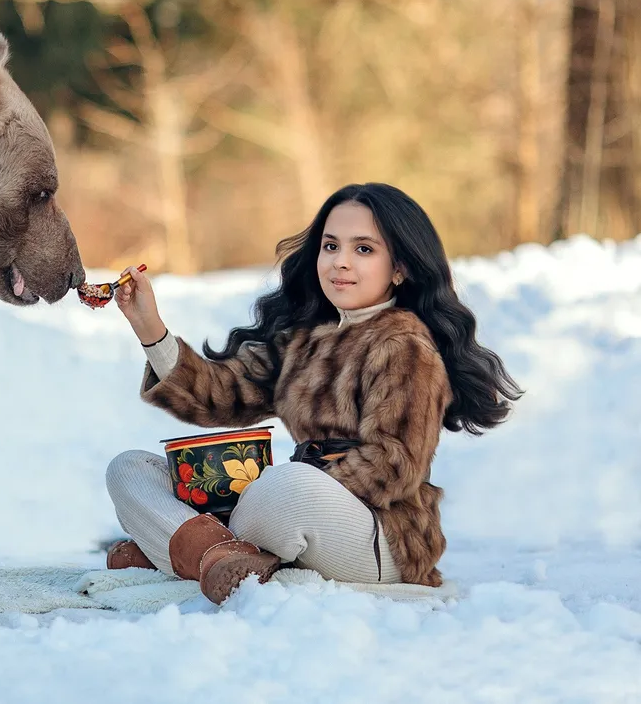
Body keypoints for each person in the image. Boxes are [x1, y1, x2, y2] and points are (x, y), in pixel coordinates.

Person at [103, 183, 522, 605]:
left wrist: (290, 489)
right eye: (331, 245)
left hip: (381, 535)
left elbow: (394, 462)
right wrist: (149, 327)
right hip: (295, 513)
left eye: (363, 250)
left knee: (283, 483)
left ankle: (186, 547)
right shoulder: (303, 342)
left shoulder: (404, 346)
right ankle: (218, 554)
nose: (340, 262)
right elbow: (217, 396)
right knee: (130, 470)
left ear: (400, 268)